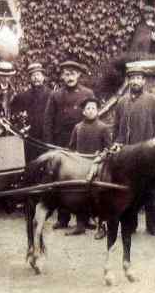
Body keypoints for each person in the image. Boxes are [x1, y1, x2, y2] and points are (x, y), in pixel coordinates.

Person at [113, 66, 155, 235]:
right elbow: (116, 129)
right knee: (129, 189)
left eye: (139, 78)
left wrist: (153, 147)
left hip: (147, 153)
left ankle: (153, 225)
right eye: (132, 78)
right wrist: (118, 145)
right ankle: (131, 224)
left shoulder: (152, 100)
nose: (135, 81)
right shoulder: (122, 102)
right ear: (129, 81)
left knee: (151, 189)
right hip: (128, 154)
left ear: (144, 81)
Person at [44, 60, 95, 230]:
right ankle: (63, 218)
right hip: (61, 142)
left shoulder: (88, 93)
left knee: (84, 179)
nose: (70, 77)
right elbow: (48, 120)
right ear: (62, 76)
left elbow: (94, 117)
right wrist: (50, 145)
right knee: (62, 180)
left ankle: (86, 217)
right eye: (66, 74)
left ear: (79, 75)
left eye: (73, 73)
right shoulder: (55, 95)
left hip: (82, 142)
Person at [68, 97, 112, 237]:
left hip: (97, 167)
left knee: (97, 197)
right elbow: (71, 148)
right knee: (79, 195)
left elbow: (109, 149)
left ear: (97, 110)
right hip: (81, 166)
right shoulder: (78, 127)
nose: (91, 111)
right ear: (83, 112)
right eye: (88, 108)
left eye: (93, 108)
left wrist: (101, 156)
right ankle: (80, 224)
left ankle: (101, 227)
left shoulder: (103, 127)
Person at [11, 63, 52, 163]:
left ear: (43, 77)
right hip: (29, 138)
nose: (36, 78)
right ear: (29, 78)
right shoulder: (22, 97)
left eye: (38, 74)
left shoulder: (52, 95)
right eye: (33, 75)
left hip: (46, 137)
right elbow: (15, 116)